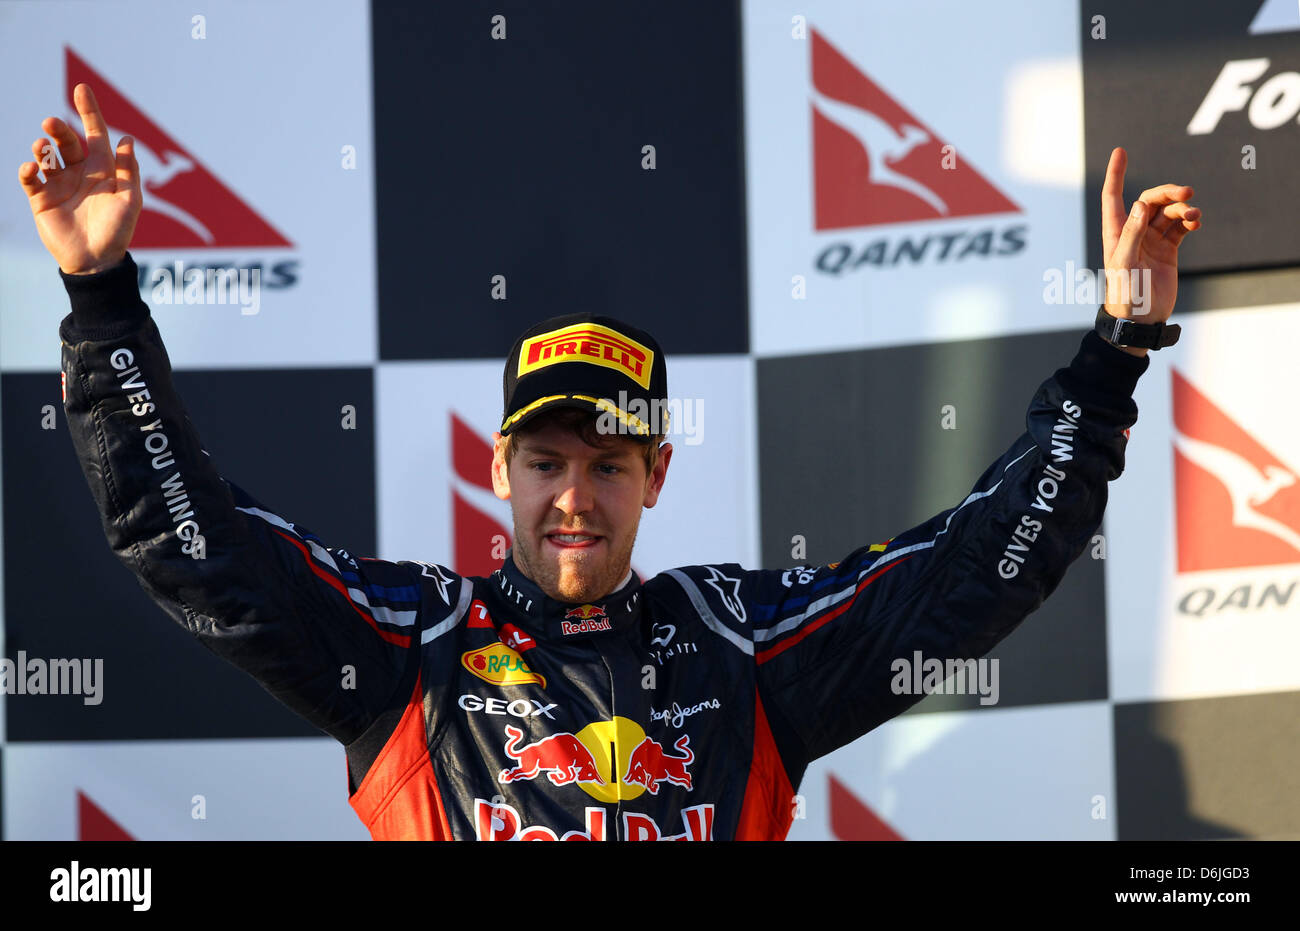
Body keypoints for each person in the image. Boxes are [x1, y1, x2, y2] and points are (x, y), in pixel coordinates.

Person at [19, 84, 1201, 841]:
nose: (575, 495)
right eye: (546, 460)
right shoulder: (409, 643)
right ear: (500, 469)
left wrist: (1113, 355)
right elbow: (191, 544)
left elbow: (972, 573)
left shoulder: (741, 639)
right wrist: (102, 297)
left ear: (658, 478)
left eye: (610, 462)